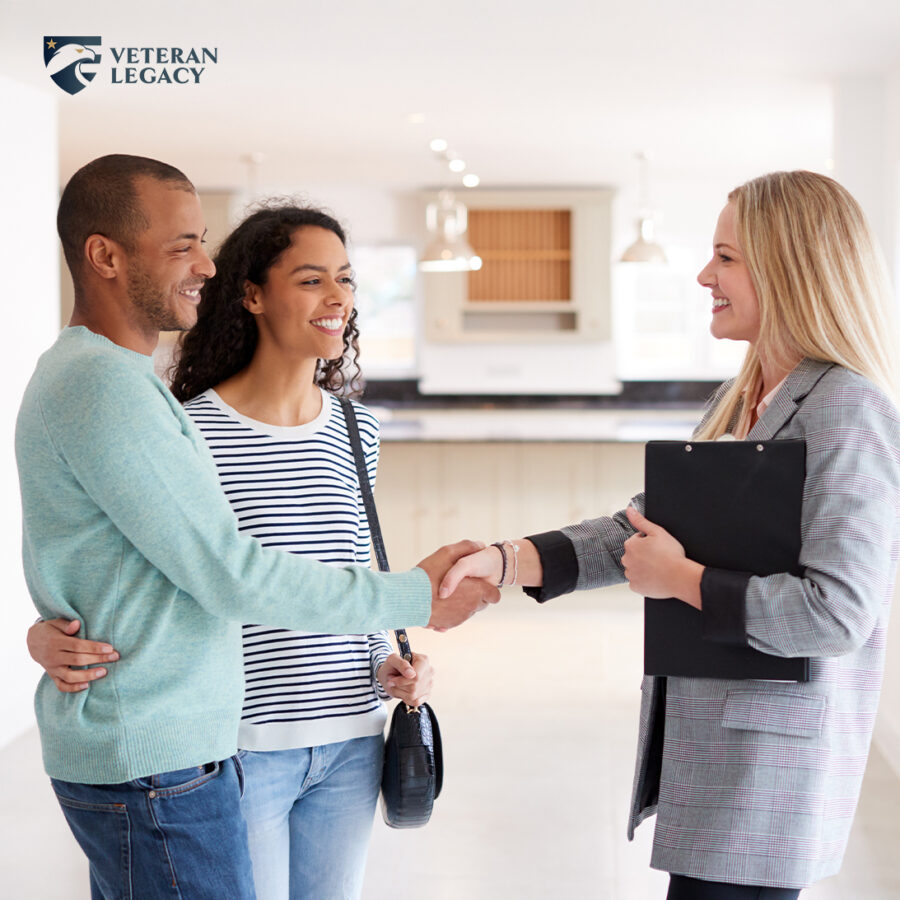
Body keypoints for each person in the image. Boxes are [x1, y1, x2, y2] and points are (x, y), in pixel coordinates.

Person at [16, 155, 497, 900]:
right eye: (183, 245)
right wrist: (413, 596)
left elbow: (122, 558)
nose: (202, 265)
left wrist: (392, 651)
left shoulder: (140, 391)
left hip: (318, 733)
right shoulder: (125, 395)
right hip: (210, 747)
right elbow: (226, 571)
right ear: (105, 256)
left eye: (346, 278)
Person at [441, 171, 900, 899]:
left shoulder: (846, 408)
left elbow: (838, 613)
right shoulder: (745, 394)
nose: (702, 276)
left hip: (770, 771)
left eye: (726, 257)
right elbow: (645, 528)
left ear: (788, 265)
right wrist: (509, 561)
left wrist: (683, 580)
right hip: (719, 751)